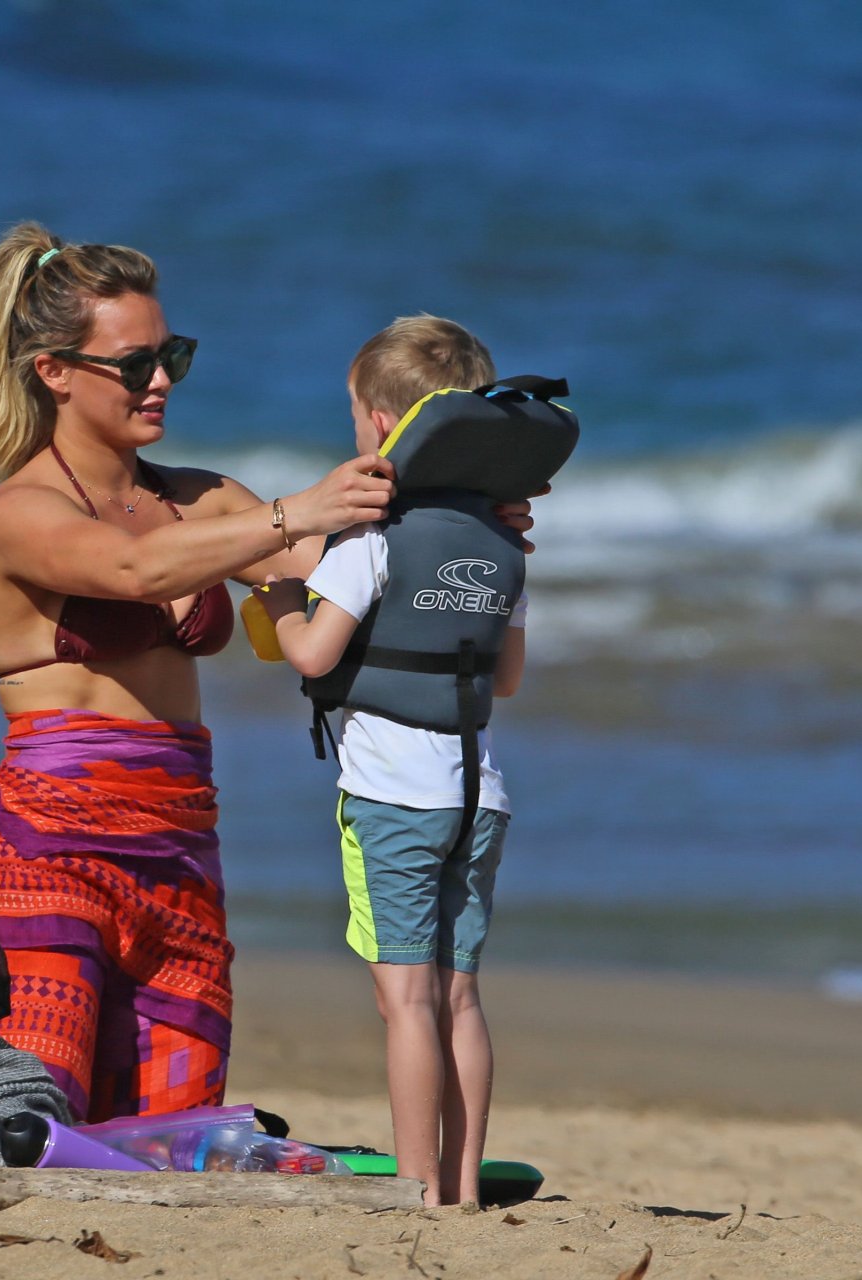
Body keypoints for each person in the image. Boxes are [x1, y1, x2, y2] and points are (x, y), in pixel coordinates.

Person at [0, 222, 401, 1123]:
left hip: (181, 851)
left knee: (172, 1137)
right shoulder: (19, 512)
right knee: (38, 1126)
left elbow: (348, 571)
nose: (159, 380)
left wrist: (472, 520)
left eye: (172, 357)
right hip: (51, 851)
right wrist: (296, 510)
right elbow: (134, 571)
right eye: (134, 364)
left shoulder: (203, 499)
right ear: (54, 372)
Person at [256, 316, 533, 1206]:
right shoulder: (502, 543)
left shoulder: (370, 540)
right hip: (478, 797)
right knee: (460, 998)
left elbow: (313, 656)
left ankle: (415, 1185)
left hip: (392, 801)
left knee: (406, 1001)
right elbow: (507, 678)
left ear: (380, 423)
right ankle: (462, 1186)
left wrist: (280, 597)